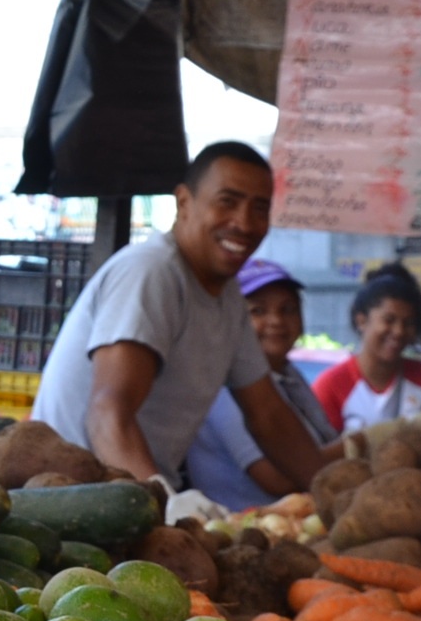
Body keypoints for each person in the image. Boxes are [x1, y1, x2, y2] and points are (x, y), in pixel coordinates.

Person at [29, 142, 329, 497]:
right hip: (73, 500)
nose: (245, 223)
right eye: (227, 202)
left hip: (134, 497)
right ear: (184, 202)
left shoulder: (229, 296)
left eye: (259, 208)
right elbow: (108, 412)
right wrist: (165, 506)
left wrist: (334, 495)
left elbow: (268, 415)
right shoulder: (152, 272)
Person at [183, 258, 341, 508]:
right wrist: (359, 445)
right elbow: (277, 479)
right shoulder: (224, 386)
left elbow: (323, 441)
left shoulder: (289, 375)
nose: (277, 321)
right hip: (244, 532)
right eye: (258, 311)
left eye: (288, 309)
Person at [311, 264, 421, 431]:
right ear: (361, 321)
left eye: (408, 323)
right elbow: (317, 453)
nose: (398, 332)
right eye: (389, 320)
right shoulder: (330, 386)